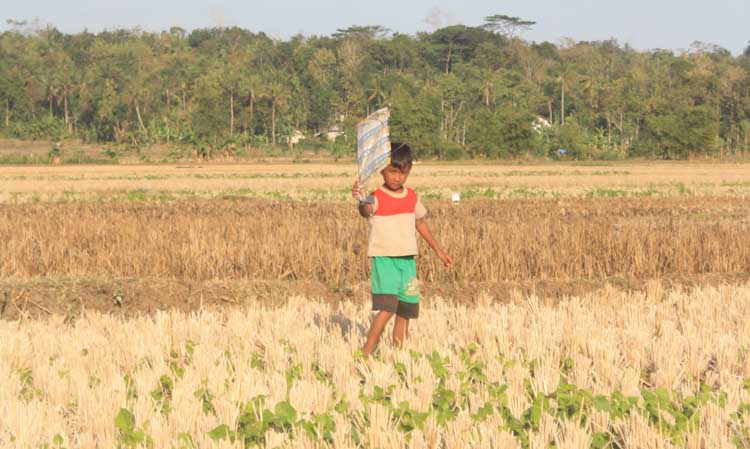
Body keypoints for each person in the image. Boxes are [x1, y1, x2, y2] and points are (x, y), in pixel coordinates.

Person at [351, 142, 453, 355]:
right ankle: (367, 350)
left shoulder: (411, 196)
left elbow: (421, 223)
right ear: (382, 170)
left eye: (403, 173)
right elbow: (365, 209)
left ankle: (399, 353)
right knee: (388, 307)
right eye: (393, 171)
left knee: (406, 309)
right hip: (385, 259)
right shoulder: (375, 197)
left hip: (408, 260)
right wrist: (361, 199)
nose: (398, 177)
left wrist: (439, 251)